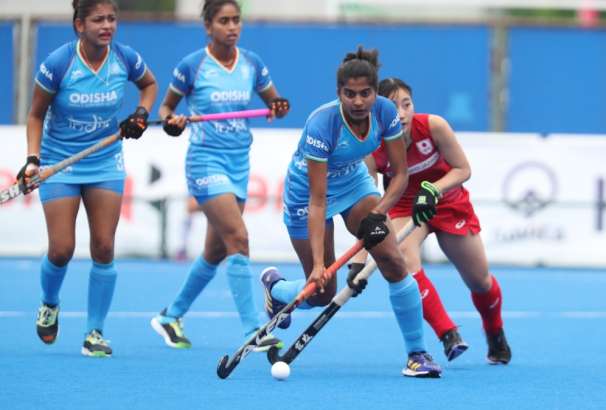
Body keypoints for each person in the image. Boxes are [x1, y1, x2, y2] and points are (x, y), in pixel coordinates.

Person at [260, 46, 442, 378]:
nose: (358, 101)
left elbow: (399, 176)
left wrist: (379, 213)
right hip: (307, 195)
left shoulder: (386, 112)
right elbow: (317, 202)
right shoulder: (322, 124)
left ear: (375, 92)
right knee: (320, 292)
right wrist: (318, 265)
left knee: (392, 259)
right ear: (338, 93)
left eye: (365, 93)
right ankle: (277, 289)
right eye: (350, 94)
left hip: (354, 183)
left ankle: (417, 354)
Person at [18, 0, 157, 357]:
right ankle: (50, 302)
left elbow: (149, 85)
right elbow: (35, 115)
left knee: (104, 247)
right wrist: (33, 160)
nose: (107, 25)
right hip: (60, 162)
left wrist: (140, 114)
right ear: (79, 25)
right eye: (98, 20)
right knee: (62, 249)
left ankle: (95, 331)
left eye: (112, 18)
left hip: (105, 161)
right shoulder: (59, 64)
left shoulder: (124, 58)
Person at [150, 0, 290, 350]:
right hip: (205, 162)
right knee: (239, 239)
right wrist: (172, 119)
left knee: (215, 251)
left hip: (238, 162)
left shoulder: (252, 63)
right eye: (224, 21)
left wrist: (279, 105)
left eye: (236, 20)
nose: (232, 27)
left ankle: (170, 316)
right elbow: (166, 107)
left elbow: (274, 101)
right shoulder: (192, 66)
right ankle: (252, 330)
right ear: (208, 27)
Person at [365, 77, 511, 364]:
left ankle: (494, 332)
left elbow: (462, 169)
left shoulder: (434, 126)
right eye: (394, 107)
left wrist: (433, 189)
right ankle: (447, 334)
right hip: (405, 206)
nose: (402, 113)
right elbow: (372, 201)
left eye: (406, 104)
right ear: (380, 112)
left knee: (480, 281)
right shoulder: (372, 148)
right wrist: (361, 257)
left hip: (447, 201)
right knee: (404, 261)